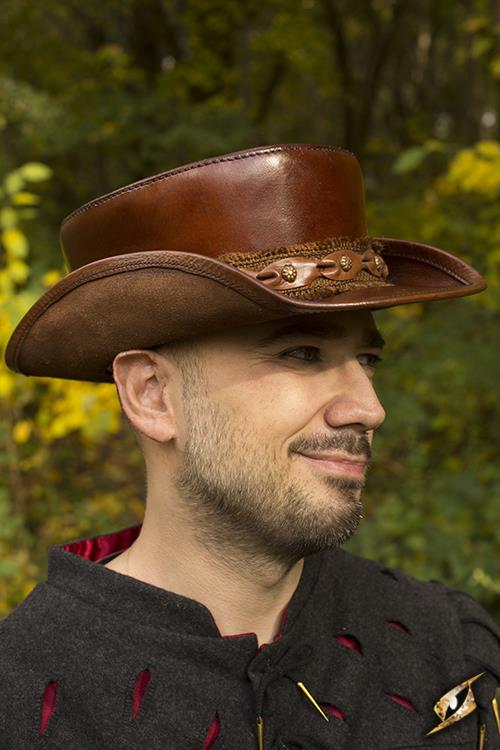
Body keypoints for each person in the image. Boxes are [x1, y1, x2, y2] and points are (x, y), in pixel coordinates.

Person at [1, 144, 499, 750]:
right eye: (302, 353)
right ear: (152, 395)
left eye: (367, 359)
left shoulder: (449, 644)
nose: (369, 408)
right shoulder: (21, 696)